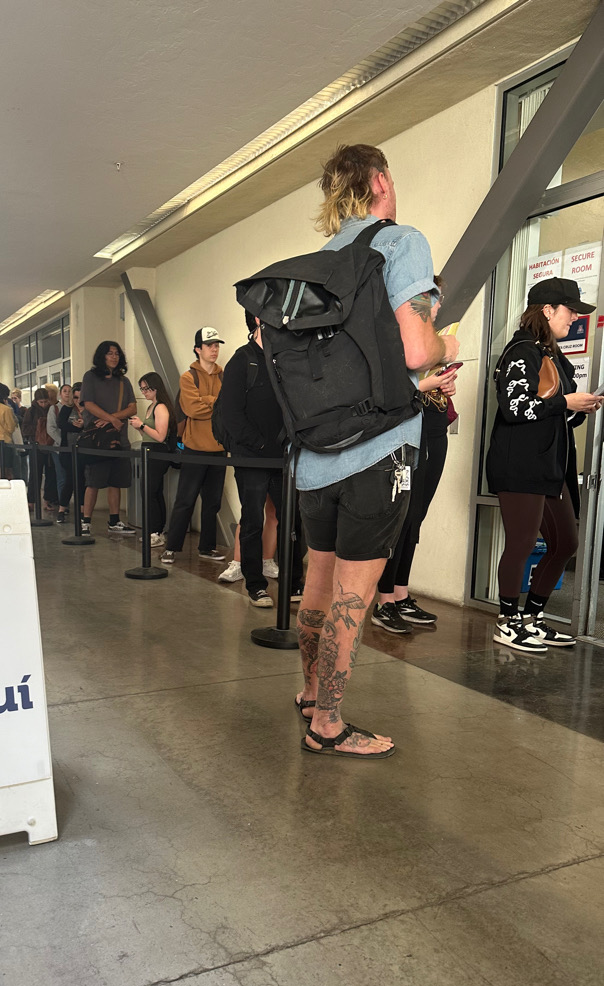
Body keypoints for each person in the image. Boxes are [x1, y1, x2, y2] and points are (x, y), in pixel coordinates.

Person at [294, 143, 459, 759]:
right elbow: (417, 350)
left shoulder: (320, 260)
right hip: (377, 451)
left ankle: (310, 694)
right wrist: (445, 343)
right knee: (353, 595)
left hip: (314, 455)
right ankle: (328, 726)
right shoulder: (399, 242)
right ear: (382, 180)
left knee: (316, 578)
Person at [486, 277, 601, 653]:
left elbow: (555, 411)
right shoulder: (521, 351)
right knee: (521, 543)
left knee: (565, 541)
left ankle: (532, 618)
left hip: (549, 466)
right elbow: (515, 408)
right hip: (520, 464)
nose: (574, 319)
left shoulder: (552, 354)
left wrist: (579, 408)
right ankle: (507, 621)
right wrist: (565, 404)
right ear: (547, 310)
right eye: (569, 311)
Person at [371, 282, 459, 633]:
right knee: (401, 518)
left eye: (438, 300)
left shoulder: (432, 341)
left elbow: (430, 386)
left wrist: (446, 384)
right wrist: (426, 384)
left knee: (416, 518)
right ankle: (384, 599)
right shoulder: (395, 340)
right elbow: (386, 391)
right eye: (431, 300)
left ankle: (401, 593)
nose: (436, 307)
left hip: (433, 430)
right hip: (405, 435)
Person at [216, 311, 305, 607]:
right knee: (252, 520)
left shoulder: (286, 361)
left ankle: (293, 583)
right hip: (252, 457)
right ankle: (256, 584)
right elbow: (230, 414)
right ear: (257, 321)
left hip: (284, 457)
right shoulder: (242, 360)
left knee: (292, 519)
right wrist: (260, 443)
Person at [160, 327, 228, 565]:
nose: (214, 349)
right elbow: (192, 409)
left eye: (217, 345)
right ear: (198, 349)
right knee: (185, 500)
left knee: (213, 503)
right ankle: (171, 547)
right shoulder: (188, 377)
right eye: (209, 345)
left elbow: (228, 409)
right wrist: (215, 403)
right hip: (195, 448)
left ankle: (207, 547)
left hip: (219, 449)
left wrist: (208, 402)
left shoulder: (224, 376)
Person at [79, 342, 137, 536]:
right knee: (93, 481)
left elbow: (133, 408)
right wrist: (111, 418)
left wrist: (114, 419)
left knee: (116, 481)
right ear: (102, 356)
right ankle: (85, 521)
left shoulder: (124, 381)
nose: (114, 357)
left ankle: (115, 520)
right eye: (110, 353)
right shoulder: (91, 377)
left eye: (117, 353)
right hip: (97, 438)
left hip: (120, 438)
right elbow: (88, 404)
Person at [129, 371, 177, 546]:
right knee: (153, 492)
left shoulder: (161, 407)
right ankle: (155, 530)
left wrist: (142, 425)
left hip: (157, 452)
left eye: (146, 388)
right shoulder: (151, 406)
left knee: (150, 492)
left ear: (155, 388)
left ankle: (156, 531)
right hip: (148, 449)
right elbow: (148, 435)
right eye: (141, 389)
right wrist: (139, 427)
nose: (144, 392)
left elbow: (160, 436)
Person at [22, 387, 57, 511]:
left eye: (45, 401)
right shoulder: (30, 411)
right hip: (35, 446)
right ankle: (31, 501)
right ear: (36, 401)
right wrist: (38, 429)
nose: (43, 404)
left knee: (50, 474)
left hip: (49, 446)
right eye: (41, 402)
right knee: (34, 475)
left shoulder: (52, 409)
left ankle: (46, 501)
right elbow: (25, 429)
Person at [56, 381, 85, 523]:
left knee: (82, 480)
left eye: (80, 397)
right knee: (70, 479)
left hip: (84, 450)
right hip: (68, 450)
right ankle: (62, 509)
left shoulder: (89, 409)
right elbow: (61, 424)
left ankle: (82, 510)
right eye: (75, 397)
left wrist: (82, 426)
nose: (78, 400)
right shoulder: (67, 409)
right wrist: (77, 427)